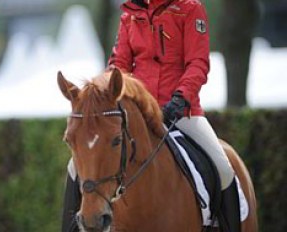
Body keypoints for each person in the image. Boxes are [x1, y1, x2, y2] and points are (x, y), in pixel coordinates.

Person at [62, 0, 241, 231]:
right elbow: (119, 64)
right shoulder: (130, 13)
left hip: (182, 111)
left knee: (224, 168)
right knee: (74, 167)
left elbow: (198, 62)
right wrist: (104, 94)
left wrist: (181, 97)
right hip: (140, 114)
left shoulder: (190, 8)